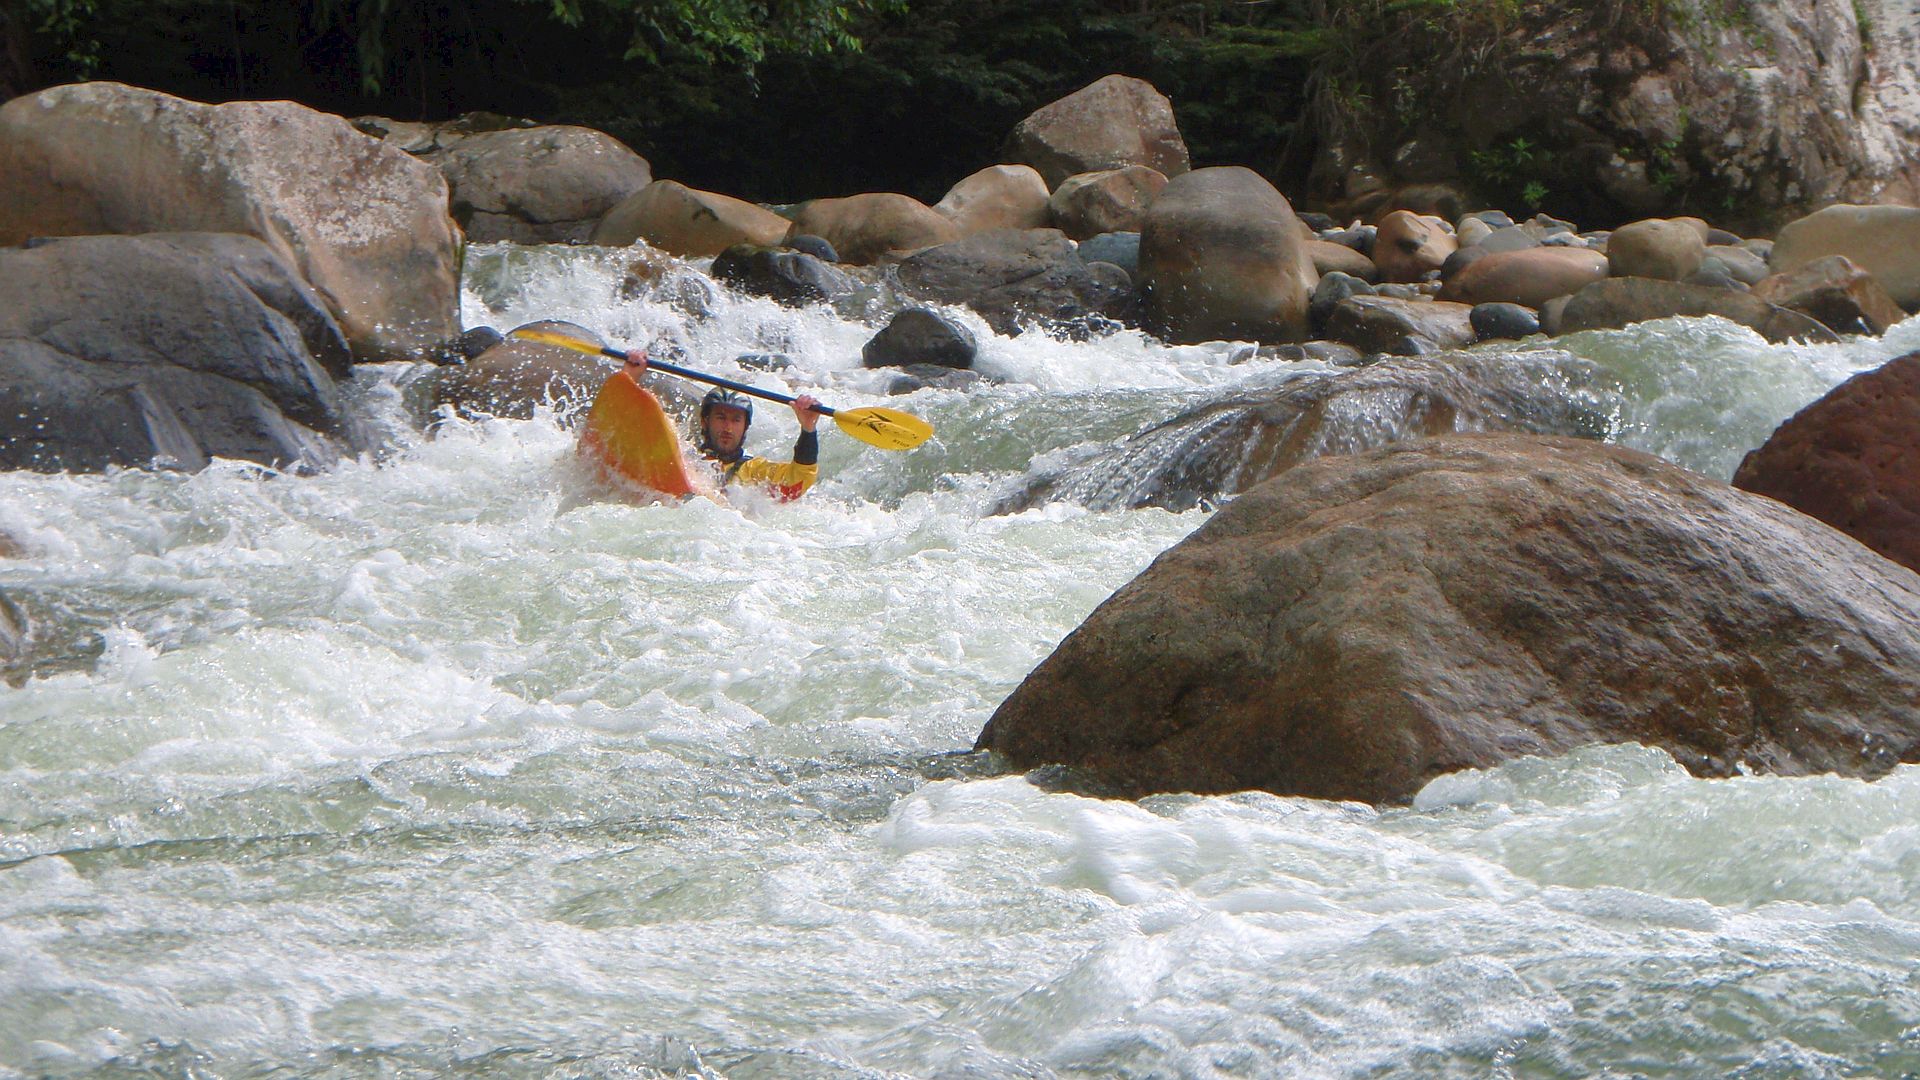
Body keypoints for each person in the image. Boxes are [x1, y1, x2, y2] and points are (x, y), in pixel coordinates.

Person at [621, 348, 825, 501]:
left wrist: (808, 429)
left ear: (745, 427)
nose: (728, 427)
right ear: (705, 421)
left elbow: (799, 480)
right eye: (721, 417)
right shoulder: (682, 457)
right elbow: (630, 441)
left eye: (736, 420)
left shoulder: (755, 471)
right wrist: (630, 378)